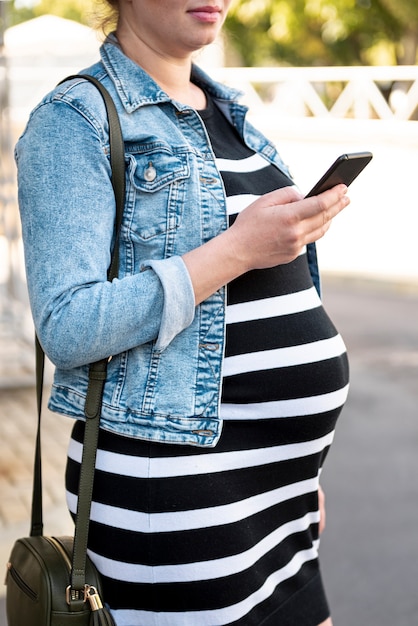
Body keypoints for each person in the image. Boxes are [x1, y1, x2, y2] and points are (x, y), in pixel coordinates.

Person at [16, 1, 350, 625]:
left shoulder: (231, 111)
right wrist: (237, 248)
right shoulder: (75, 121)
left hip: (282, 497)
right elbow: (66, 323)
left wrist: (296, 470)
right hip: (178, 505)